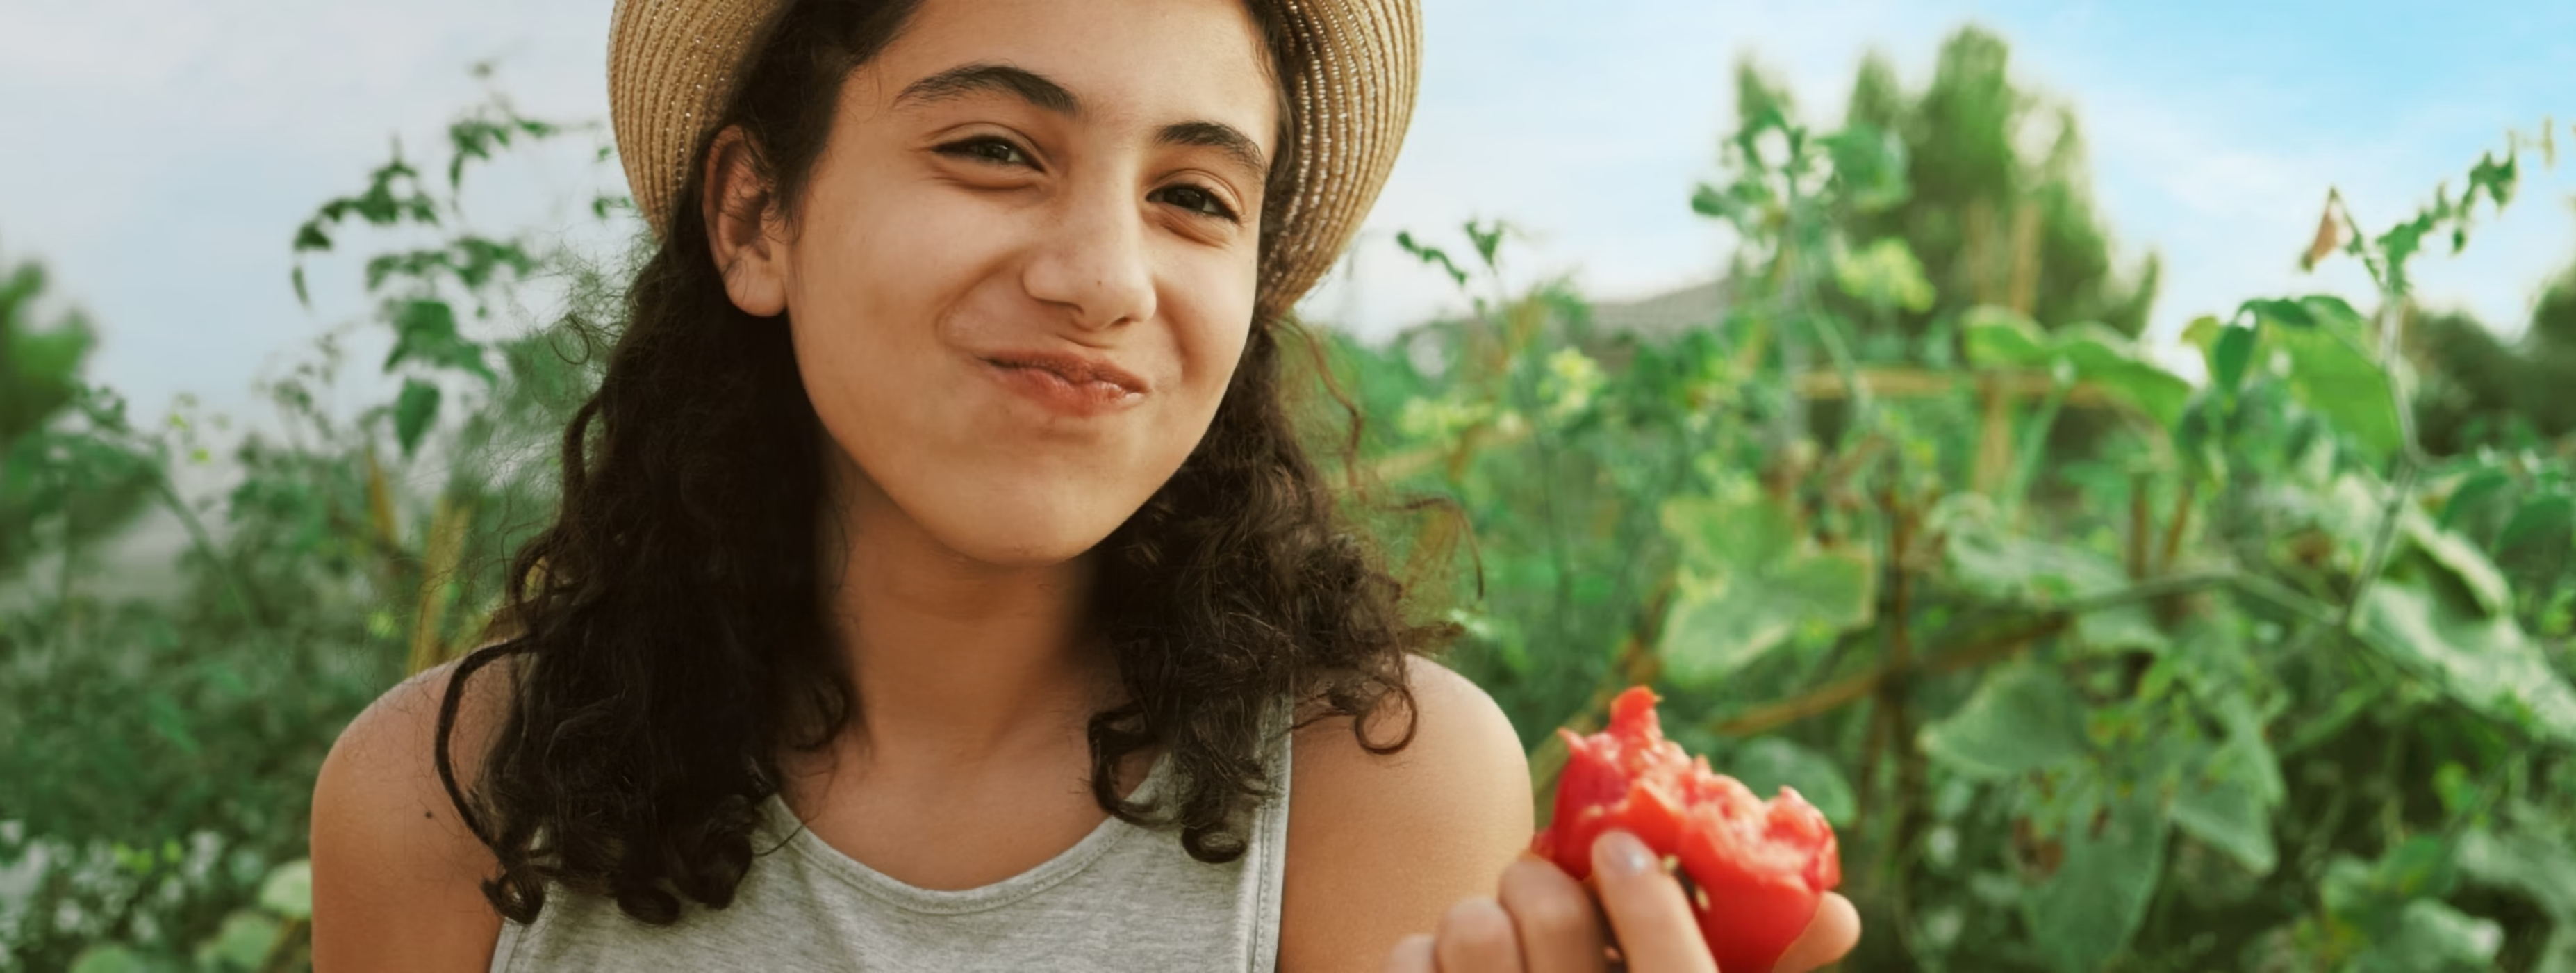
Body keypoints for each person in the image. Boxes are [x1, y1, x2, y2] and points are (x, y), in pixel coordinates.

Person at [308, 0, 1863, 969]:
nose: (1106, 276)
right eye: (994, 148)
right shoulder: (440, 807)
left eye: (1193, 195)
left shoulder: (1371, 795)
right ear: (755, 218)